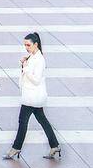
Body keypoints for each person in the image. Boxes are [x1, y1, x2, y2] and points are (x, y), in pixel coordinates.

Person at [4, 31, 62, 160]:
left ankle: (16, 148)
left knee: (22, 122)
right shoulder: (32, 57)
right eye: (25, 45)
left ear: (36, 44)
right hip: (32, 96)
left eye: (28, 45)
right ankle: (55, 145)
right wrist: (24, 64)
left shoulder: (40, 60)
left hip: (32, 97)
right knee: (42, 120)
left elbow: (36, 79)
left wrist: (25, 67)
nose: (26, 47)